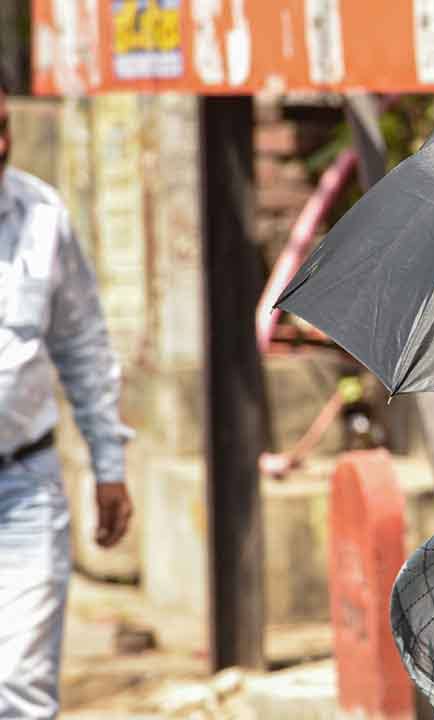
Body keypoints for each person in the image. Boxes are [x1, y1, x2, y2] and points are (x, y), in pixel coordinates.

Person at [0, 81, 134, 719]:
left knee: (19, 688)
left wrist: (109, 464)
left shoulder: (41, 217)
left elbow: (82, 344)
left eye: (4, 126)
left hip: (23, 486)